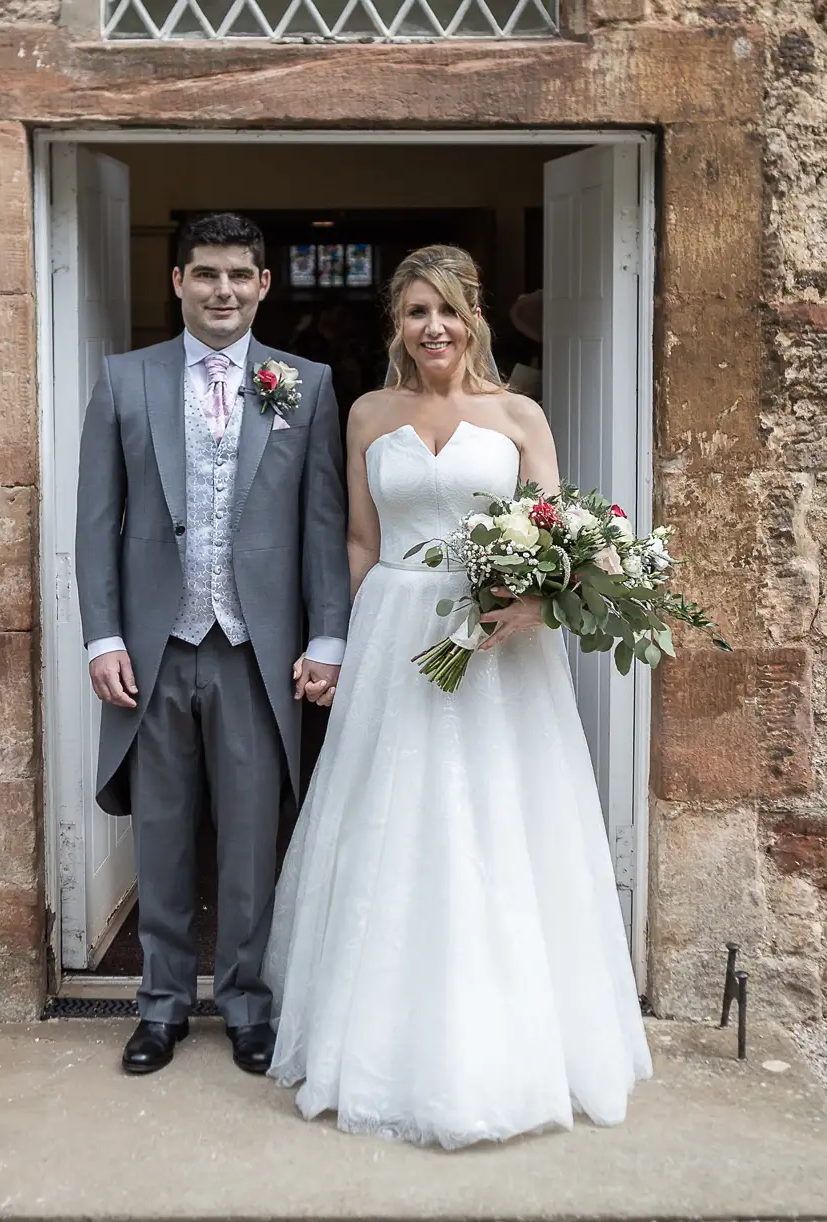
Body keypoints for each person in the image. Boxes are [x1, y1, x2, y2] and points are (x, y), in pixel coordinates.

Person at [263, 244, 651, 1149]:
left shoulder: (519, 414)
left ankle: (513, 1043)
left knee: (499, 822)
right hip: (397, 628)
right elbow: (361, 540)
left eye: (447, 310)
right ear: (395, 325)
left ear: (473, 319)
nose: (431, 327)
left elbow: (562, 539)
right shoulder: (366, 414)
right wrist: (332, 642)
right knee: (390, 820)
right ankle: (371, 1038)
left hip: (497, 650)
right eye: (414, 312)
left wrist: (532, 604)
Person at [75, 213, 351, 1077]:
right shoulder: (126, 380)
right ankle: (158, 1004)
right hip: (157, 645)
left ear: (264, 284)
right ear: (178, 283)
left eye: (239, 275)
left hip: (254, 649)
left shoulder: (302, 382)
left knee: (248, 836)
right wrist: (103, 635)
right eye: (206, 274)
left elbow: (323, 522)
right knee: (160, 834)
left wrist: (328, 635)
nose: (222, 290)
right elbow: (96, 521)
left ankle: (244, 1002)